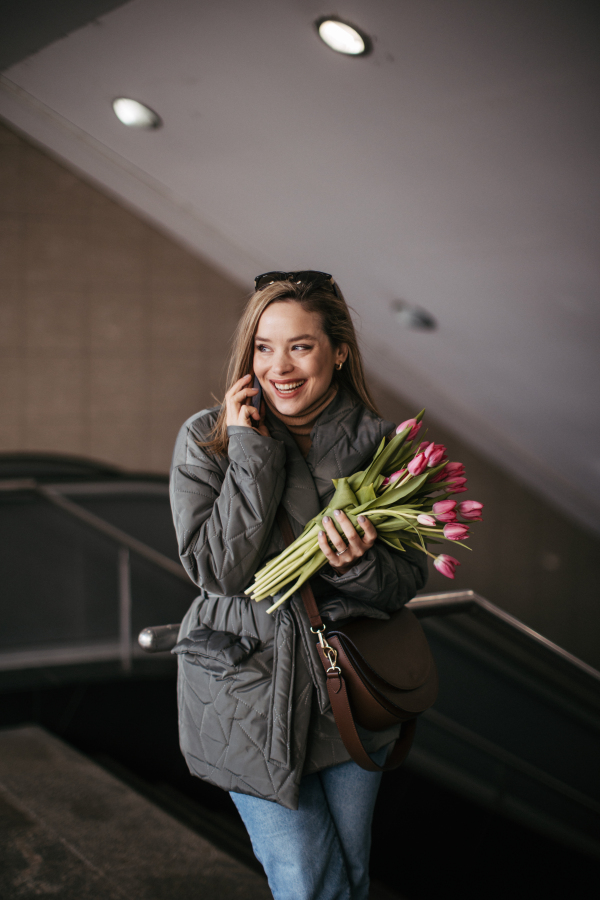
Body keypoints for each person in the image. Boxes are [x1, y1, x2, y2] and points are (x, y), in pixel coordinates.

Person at [170, 271, 428, 900]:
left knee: (352, 873)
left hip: (349, 698)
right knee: (309, 880)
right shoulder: (209, 438)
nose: (278, 367)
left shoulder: (378, 445)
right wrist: (250, 453)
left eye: (300, 346)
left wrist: (356, 562)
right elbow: (218, 573)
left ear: (338, 350)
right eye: (263, 346)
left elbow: (405, 581)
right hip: (247, 696)